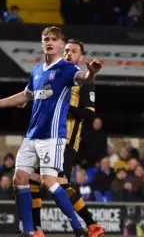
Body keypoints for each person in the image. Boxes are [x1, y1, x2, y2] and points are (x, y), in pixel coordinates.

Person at [0, 26, 102, 237]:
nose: (50, 42)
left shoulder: (67, 69)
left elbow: (84, 78)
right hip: (32, 135)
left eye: (54, 39)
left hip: (54, 137)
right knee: (19, 178)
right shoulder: (36, 71)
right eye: (46, 39)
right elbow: (25, 95)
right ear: (42, 43)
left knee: (50, 182)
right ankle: (30, 230)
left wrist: (92, 73)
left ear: (60, 45)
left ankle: (79, 225)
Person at [30, 39, 105, 237]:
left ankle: (87, 225)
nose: (68, 54)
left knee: (51, 182)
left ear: (80, 58)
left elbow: (89, 114)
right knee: (42, 181)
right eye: (66, 51)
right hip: (47, 137)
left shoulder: (86, 82)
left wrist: (65, 108)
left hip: (67, 140)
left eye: (73, 52)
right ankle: (88, 225)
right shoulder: (56, 76)